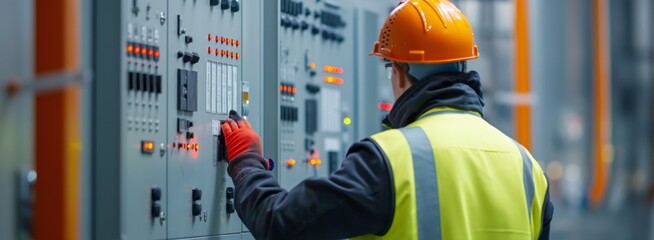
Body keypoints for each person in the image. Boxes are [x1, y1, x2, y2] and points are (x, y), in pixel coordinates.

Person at [221, 0, 553, 239]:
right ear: (462, 66)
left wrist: (247, 164)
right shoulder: (527, 167)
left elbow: (279, 224)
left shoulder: (390, 159)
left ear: (399, 71)